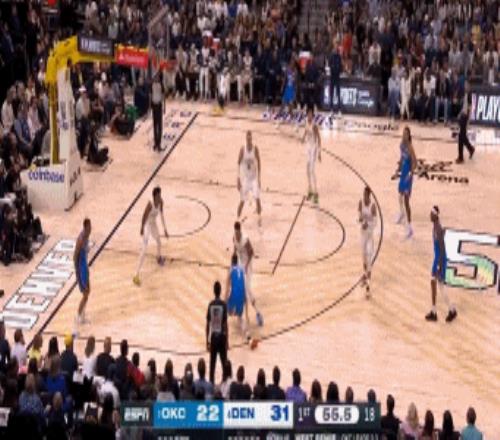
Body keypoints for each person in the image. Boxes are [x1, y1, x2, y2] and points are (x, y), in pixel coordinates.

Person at [425, 206, 457, 323]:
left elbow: (442, 248)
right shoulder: (436, 227)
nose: (429, 215)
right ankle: (434, 311)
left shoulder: (437, 228)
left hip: (440, 260)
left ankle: (450, 310)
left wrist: (439, 265)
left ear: (435, 215)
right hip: (438, 259)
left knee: (440, 286)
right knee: (434, 283)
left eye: (431, 214)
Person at [133, 186, 169, 286]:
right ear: (155, 196)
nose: (160, 197)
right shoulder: (150, 204)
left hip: (153, 223)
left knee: (159, 241)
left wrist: (165, 229)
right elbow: (144, 216)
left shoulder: (161, 202)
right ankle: (136, 275)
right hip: (147, 224)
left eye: (160, 194)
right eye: (158, 195)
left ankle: (158, 257)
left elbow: (162, 215)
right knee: (144, 249)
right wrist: (141, 228)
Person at [233, 221, 263, 326]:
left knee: (247, 290)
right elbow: (235, 250)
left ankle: (258, 313)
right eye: (235, 232)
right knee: (239, 288)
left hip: (248, 266)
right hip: (241, 265)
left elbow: (252, 252)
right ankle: (240, 314)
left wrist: (246, 265)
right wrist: (234, 264)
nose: (237, 234)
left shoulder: (245, 240)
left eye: (238, 232)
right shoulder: (234, 238)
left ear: (240, 231)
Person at [395, 127, 416, 239]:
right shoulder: (402, 145)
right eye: (403, 133)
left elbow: (415, 162)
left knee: (406, 201)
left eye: (406, 134)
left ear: (409, 136)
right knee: (399, 195)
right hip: (403, 173)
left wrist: (410, 174)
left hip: (408, 175)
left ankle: (410, 228)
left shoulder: (410, 147)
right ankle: (401, 213)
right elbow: (402, 158)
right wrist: (398, 168)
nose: (404, 135)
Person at [237, 131, 262, 223]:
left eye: (250, 138)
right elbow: (238, 163)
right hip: (246, 179)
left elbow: (259, 162)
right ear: (246, 139)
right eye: (247, 139)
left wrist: (259, 178)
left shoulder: (255, 149)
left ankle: (259, 217)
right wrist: (238, 179)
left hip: (254, 178)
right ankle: (237, 219)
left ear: (251, 139)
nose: (249, 140)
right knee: (242, 200)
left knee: (257, 198)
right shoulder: (242, 149)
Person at [206, 281, 228, 384]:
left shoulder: (210, 305)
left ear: (214, 291)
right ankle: (225, 385)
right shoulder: (223, 305)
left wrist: (207, 341)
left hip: (213, 338)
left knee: (212, 366)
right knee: (224, 365)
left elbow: (207, 324)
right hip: (222, 337)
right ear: (220, 291)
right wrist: (227, 340)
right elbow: (225, 324)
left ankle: (211, 385)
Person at [225, 254, 250, 340]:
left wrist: (225, 301)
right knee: (240, 317)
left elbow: (227, 288)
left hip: (234, 295)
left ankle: (223, 334)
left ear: (231, 261)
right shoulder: (242, 269)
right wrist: (245, 300)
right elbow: (245, 285)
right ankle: (247, 335)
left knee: (227, 312)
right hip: (242, 295)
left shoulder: (230, 270)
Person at [358, 186, 377, 298]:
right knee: (364, 259)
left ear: (369, 196)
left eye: (366, 195)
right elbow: (359, 217)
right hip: (363, 236)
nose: (364, 196)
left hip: (369, 236)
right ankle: (365, 276)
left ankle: (368, 288)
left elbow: (375, 223)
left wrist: (367, 224)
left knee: (369, 260)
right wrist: (362, 222)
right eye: (363, 194)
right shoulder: (360, 203)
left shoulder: (372, 206)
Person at [302, 108, 321, 203]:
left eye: (310, 114)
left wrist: (319, 153)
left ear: (312, 115)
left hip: (314, 149)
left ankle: (316, 193)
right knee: (307, 170)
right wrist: (303, 138)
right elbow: (306, 131)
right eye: (308, 114)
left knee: (312, 171)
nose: (309, 115)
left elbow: (319, 138)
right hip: (308, 149)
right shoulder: (306, 122)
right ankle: (310, 191)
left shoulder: (314, 125)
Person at [74, 218, 91, 327]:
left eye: (91, 226)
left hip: (85, 265)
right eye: (89, 227)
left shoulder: (87, 236)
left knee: (88, 291)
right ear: (85, 227)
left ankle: (82, 316)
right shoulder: (80, 239)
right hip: (80, 268)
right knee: (85, 294)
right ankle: (78, 316)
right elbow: (75, 255)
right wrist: (77, 271)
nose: (90, 229)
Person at [151, 73, 164, 151]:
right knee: (155, 125)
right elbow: (150, 95)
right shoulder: (152, 85)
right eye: (155, 77)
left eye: (157, 77)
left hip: (159, 106)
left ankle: (159, 143)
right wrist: (150, 107)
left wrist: (164, 107)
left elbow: (163, 95)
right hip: (154, 105)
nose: (156, 78)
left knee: (159, 126)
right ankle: (156, 143)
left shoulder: (161, 85)